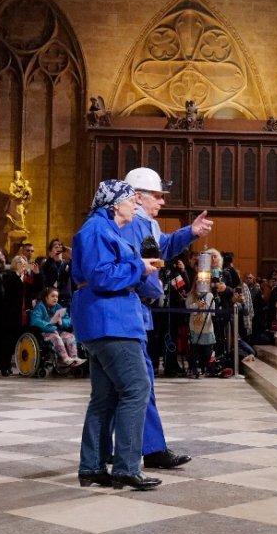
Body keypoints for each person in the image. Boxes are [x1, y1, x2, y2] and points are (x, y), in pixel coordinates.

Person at [74, 179, 164, 491]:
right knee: (137, 388)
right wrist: (139, 268)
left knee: (105, 397)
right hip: (111, 320)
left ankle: (93, 466)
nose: (135, 205)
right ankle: (125, 468)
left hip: (105, 319)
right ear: (114, 204)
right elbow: (101, 276)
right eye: (130, 200)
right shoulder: (98, 229)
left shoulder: (103, 228)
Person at [120, 167, 213, 469]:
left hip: (138, 311)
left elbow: (164, 247)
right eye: (158, 196)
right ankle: (140, 452)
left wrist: (191, 232)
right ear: (138, 196)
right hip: (128, 310)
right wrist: (153, 284)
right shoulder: (132, 224)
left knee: (133, 385)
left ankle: (143, 449)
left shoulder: (147, 224)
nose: (162, 202)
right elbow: (140, 264)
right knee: (136, 385)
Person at [29, 286, 83, 366]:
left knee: (70, 337)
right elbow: (35, 321)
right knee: (56, 338)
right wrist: (51, 328)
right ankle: (66, 359)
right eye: (52, 296)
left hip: (58, 331)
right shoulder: (39, 307)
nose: (55, 298)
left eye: (56, 296)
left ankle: (74, 358)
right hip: (44, 333)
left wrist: (62, 322)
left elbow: (68, 320)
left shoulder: (58, 307)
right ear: (46, 297)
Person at [186, 277, 217, 378]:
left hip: (206, 327)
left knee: (208, 351)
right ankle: (194, 368)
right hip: (194, 327)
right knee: (194, 351)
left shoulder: (209, 295)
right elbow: (188, 309)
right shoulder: (191, 295)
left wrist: (205, 307)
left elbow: (213, 311)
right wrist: (197, 305)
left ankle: (208, 369)